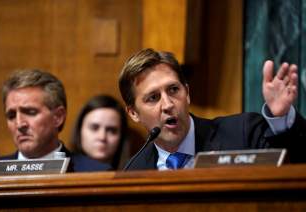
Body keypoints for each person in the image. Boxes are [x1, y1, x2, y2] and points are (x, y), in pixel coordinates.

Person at [119, 48, 306, 170]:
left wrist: (281, 118)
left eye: (174, 90)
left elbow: (296, 165)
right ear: (134, 113)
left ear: (188, 93)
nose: (168, 105)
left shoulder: (242, 133)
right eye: (153, 98)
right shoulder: (135, 169)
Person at [0, 69, 111, 172]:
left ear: (58, 117)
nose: (19, 124)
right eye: (11, 116)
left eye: (30, 112)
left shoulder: (94, 173)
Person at [71, 95, 128, 170]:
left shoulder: (133, 172)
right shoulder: (63, 171)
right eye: (94, 128)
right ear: (79, 131)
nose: (102, 137)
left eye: (111, 130)